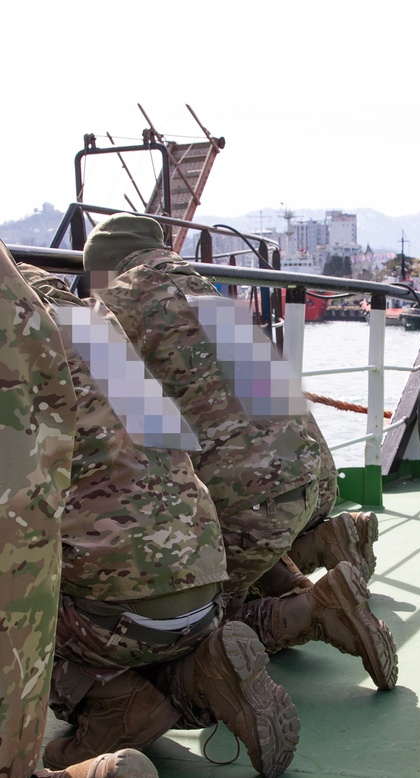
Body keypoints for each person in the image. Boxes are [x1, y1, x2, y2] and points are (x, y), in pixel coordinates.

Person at [83, 214, 397, 691]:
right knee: (237, 507)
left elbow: (132, 434)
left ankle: (313, 612)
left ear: (101, 271)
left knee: (181, 628)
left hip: (255, 505)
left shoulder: (113, 309)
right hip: (316, 478)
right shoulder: (208, 291)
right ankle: (319, 546)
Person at [19, 264, 299, 778]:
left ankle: (113, 702)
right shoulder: (97, 329)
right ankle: (201, 673)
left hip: (116, 617)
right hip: (209, 587)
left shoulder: (16, 349)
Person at [0, 243, 158, 778]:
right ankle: (269, 618)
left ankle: (123, 694)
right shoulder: (90, 320)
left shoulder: (129, 296)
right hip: (219, 576)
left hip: (117, 610)